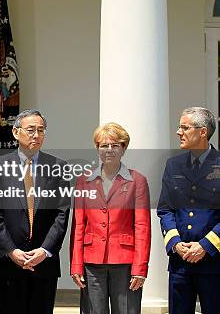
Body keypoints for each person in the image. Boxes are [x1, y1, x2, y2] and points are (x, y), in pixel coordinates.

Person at [0, 109, 70, 314]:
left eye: (41, 130)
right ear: (16, 133)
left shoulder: (58, 167)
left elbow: (61, 215)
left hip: (44, 263)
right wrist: (10, 250)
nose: (36, 135)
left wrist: (45, 250)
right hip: (10, 262)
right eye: (31, 130)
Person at [70, 122, 151, 314]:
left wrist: (140, 267)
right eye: (103, 145)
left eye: (115, 145)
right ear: (97, 148)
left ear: (124, 148)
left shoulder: (137, 181)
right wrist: (76, 264)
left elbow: (142, 226)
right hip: (91, 262)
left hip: (125, 262)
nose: (109, 150)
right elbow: (78, 225)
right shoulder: (84, 180)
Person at [158, 107, 220, 314]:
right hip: (180, 263)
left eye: (184, 127)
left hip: (213, 263)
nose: (178, 132)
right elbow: (165, 210)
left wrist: (205, 245)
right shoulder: (173, 165)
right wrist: (175, 243)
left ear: (202, 132)